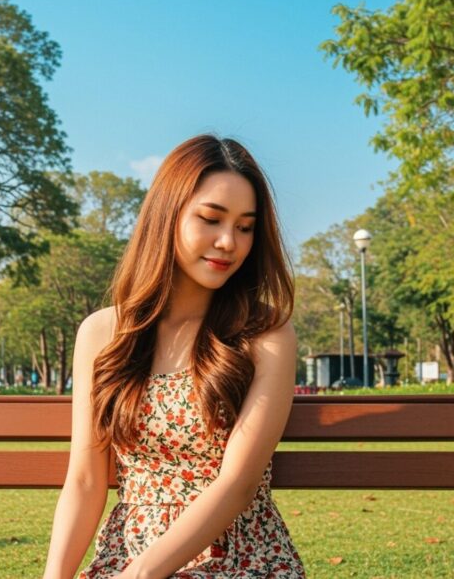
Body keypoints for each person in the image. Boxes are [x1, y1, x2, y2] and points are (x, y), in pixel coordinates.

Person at [43, 135, 304, 579]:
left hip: (239, 558)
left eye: (245, 227)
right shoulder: (103, 333)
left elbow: (237, 485)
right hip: (126, 550)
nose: (228, 242)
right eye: (211, 219)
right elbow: (86, 481)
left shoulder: (266, 334)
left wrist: (142, 575)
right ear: (167, 216)